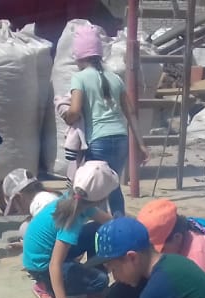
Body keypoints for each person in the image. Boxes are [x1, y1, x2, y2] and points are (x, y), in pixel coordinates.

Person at [63, 25, 146, 215]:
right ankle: (119, 225)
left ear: (79, 56)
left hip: (98, 142)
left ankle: (97, 226)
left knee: (91, 190)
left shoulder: (79, 78)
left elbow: (74, 110)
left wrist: (67, 116)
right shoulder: (116, 78)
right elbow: (131, 113)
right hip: (121, 140)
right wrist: (141, 145)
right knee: (113, 186)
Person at [20, 159, 116, 298]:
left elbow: (109, 222)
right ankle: (46, 287)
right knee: (101, 281)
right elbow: (55, 264)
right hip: (42, 267)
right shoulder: (71, 219)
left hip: (47, 253)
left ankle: (90, 273)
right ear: (101, 198)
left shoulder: (77, 200)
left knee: (96, 229)